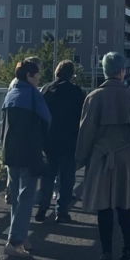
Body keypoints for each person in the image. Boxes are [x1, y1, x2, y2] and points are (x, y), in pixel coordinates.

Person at [77, 52, 130, 260]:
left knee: (104, 206)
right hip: (126, 156)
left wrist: (81, 159)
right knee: (125, 206)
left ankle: (106, 252)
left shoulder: (93, 97)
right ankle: (128, 251)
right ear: (122, 71)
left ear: (104, 70)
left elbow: (86, 133)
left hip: (101, 156)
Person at [1, 58, 51, 258]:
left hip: (10, 151)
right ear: (30, 76)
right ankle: (15, 241)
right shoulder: (33, 94)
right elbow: (47, 119)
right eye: (37, 75)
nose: (38, 79)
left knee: (16, 197)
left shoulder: (10, 93)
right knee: (26, 197)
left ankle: (20, 235)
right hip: (29, 151)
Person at [37, 60, 86, 223]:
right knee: (67, 178)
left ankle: (43, 206)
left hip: (50, 140)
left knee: (48, 176)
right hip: (69, 142)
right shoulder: (77, 92)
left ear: (56, 73)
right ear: (72, 75)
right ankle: (62, 211)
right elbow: (82, 118)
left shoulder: (46, 90)